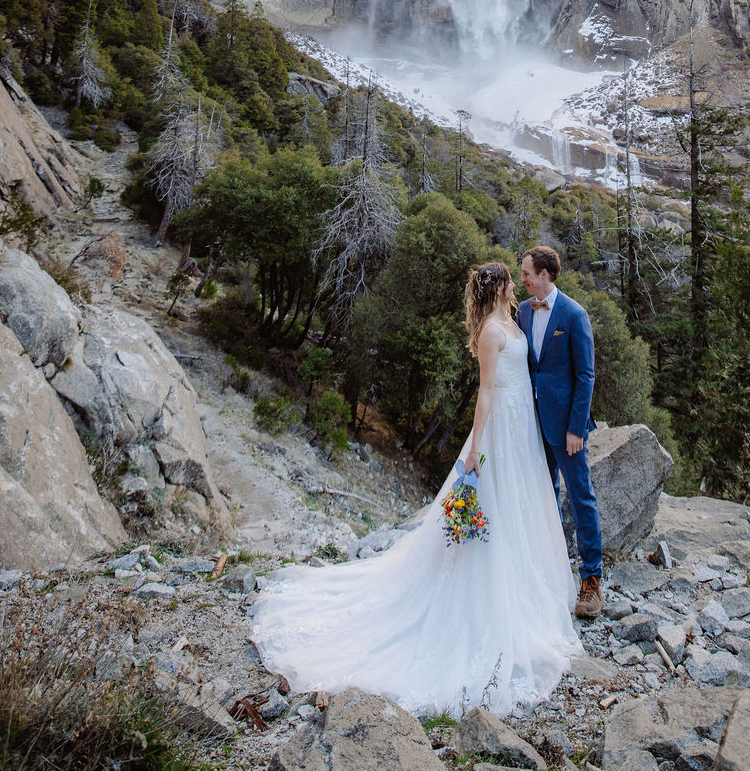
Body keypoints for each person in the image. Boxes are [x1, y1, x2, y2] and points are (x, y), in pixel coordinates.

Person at [249, 261, 581, 716]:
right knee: (496, 507)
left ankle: (527, 588)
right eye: (511, 278)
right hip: (501, 425)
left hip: (524, 425)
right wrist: (474, 449)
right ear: (499, 288)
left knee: (522, 507)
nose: (517, 283)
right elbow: (486, 392)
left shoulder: (515, 318)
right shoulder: (490, 331)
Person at [518, 247, 604, 619]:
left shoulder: (574, 314)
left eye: (526, 273)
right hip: (530, 423)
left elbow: (585, 376)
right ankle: (551, 573)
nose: (522, 279)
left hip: (566, 427)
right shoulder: (522, 311)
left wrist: (575, 429)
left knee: (581, 497)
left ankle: (591, 581)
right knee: (543, 495)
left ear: (545, 275)